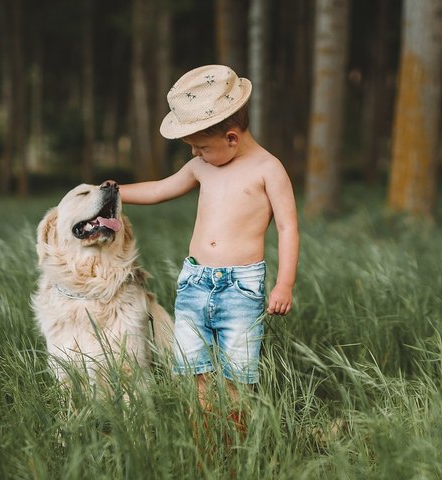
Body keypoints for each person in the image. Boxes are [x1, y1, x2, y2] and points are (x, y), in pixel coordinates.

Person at [119, 64, 299, 431]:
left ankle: (235, 443)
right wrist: (115, 192)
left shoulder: (268, 169)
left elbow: (288, 227)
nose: (195, 153)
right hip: (195, 283)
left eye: (201, 147)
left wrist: (284, 284)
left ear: (231, 138)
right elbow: (159, 189)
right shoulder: (201, 167)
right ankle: (201, 440)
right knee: (193, 368)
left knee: (237, 374)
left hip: (240, 288)